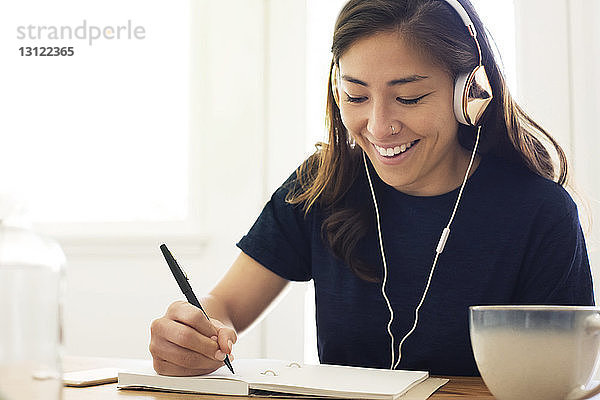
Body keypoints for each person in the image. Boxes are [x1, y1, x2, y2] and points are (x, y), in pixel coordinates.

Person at [149, 0, 594, 377]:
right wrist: (194, 336)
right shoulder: (322, 183)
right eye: (356, 96)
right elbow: (224, 305)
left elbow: (564, 379)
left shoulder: (540, 213)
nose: (379, 127)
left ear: (470, 94)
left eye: (409, 97)